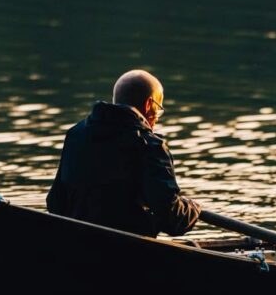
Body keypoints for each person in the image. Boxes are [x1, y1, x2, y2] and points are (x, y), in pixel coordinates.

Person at [46, 69, 200, 237]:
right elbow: (173, 220)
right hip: (124, 248)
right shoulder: (150, 145)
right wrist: (193, 208)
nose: (156, 118)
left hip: (76, 241)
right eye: (158, 109)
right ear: (149, 104)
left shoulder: (76, 134)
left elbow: (55, 203)